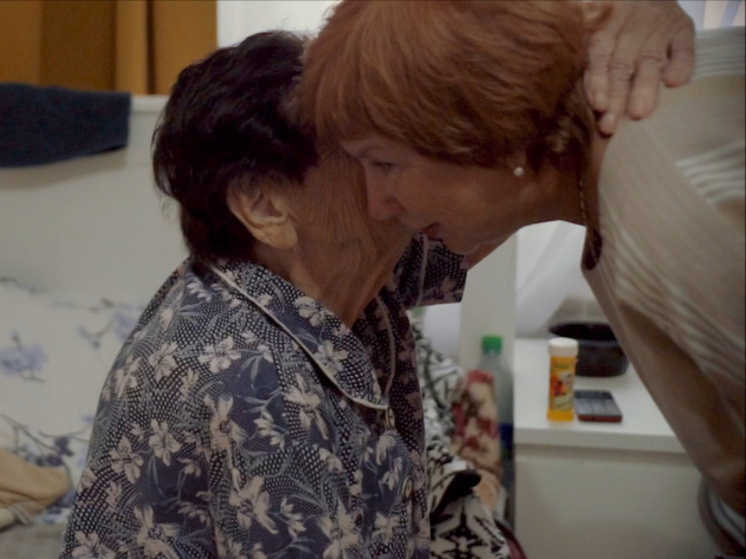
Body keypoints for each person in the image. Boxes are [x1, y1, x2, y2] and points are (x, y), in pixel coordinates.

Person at [297, 0, 745, 554]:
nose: (377, 203)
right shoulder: (608, 175)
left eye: (385, 163)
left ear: (487, 130)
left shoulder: (668, 210)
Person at [58, 31, 478, 559]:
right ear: (266, 207)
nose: (400, 167)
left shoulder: (338, 273)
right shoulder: (257, 383)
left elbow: (479, 221)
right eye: (368, 155)